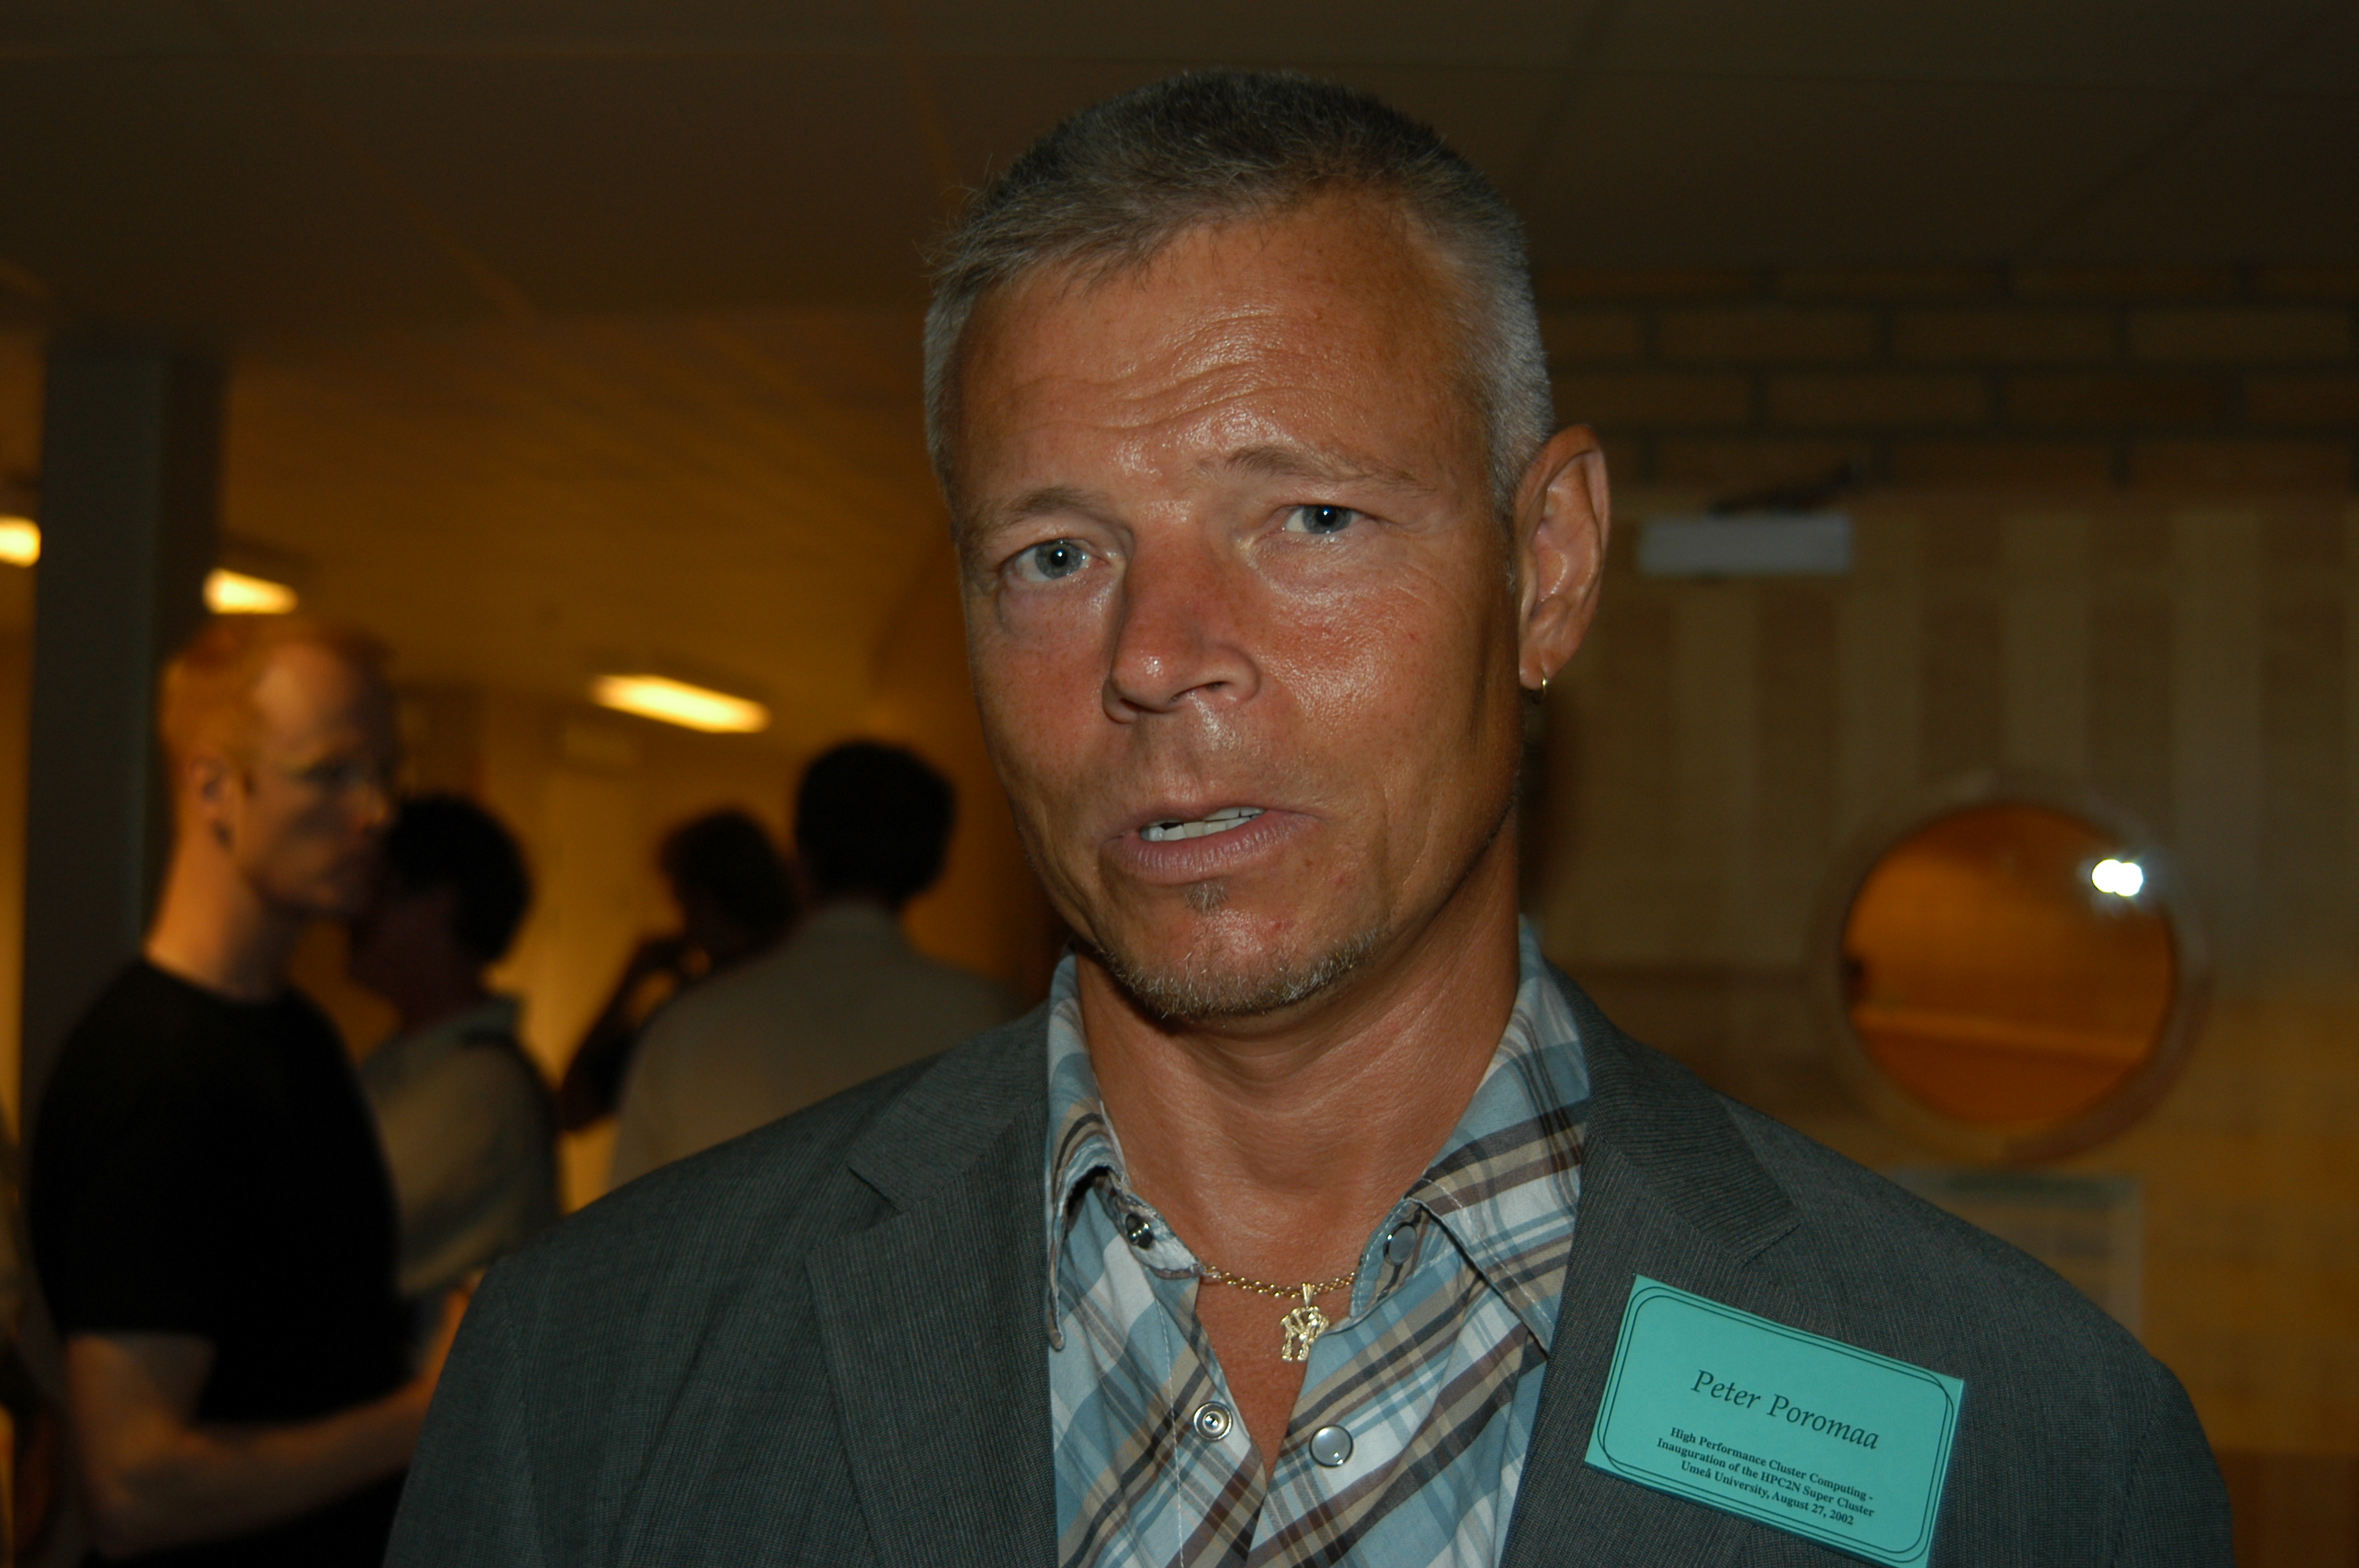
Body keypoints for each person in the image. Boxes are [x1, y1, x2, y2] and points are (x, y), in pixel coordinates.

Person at [390, 71, 2230, 1567]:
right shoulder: (596, 1368)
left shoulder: (2027, 1444)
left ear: (1547, 567)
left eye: (1311, 520)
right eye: (1056, 554)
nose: (1155, 655)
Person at [30, 615, 452, 1567]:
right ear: (214, 787)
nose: (376, 812)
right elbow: (133, 1488)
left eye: (385, 774)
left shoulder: (295, 1033)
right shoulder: (154, 1068)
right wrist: (419, 1415)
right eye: (331, 772)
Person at [609, 742, 1022, 1183]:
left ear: (799, 858)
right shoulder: (1001, 1022)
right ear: (934, 870)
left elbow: (630, 1216)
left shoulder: (685, 1030)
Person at [350, 793, 559, 1316]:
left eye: (377, 890)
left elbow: (321, 1229)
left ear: (438, 906)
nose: (351, 911)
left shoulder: (482, 1086)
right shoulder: (404, 1062)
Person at [554, 808, 797, 1129]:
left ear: (704, 902)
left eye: (680, 902)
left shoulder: (691, 1016)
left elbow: (572, 1108)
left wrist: (631, 982)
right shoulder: (817, 983)